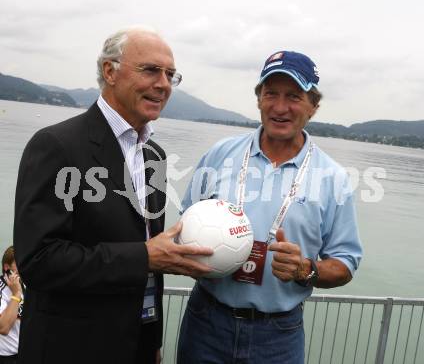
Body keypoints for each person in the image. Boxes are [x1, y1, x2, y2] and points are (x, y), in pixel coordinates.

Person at [13, 27, 212, 364]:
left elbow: (149, 257)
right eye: (150, 70)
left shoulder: (155, 157)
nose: (164, 84)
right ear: (110, 71)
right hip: (70, 349)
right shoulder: (56, 146)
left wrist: (151, 339)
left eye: (170, 75)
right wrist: (142, 257)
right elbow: (39, 261)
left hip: (136, 346)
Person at [177, 51, 363, 364]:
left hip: (278, 334)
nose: (279, 107)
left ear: (313, 106)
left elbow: (345, 264)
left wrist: (307, 269)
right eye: (270, 93)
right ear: (259, 99)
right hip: (205, 319)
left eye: (294, 96)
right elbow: (185, 221)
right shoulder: (220, 154)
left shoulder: (334, 179)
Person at [0, 247, 24, 364]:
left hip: (24, 353)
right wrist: (16, 294)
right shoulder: (2, 290)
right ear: (6, 267)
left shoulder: (24, 284)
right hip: (6, 358)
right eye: (18, 263)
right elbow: (3, 327)